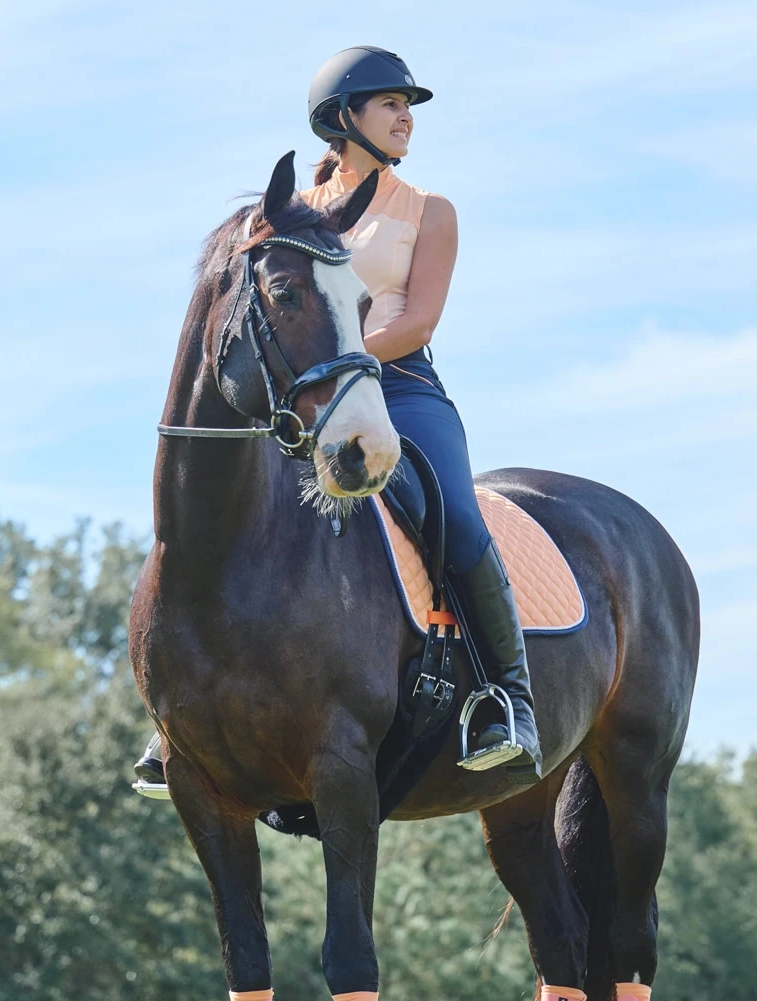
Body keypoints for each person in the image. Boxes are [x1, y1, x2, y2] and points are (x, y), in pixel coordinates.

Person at [134, 46, 540, 787]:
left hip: (403, 390)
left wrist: (343, 364)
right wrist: (306, 379)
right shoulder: (288, 216)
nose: (405, 117)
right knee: (214, 514)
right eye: (390, 104)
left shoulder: (429, 212)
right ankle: (178, 714)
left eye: (407, 106)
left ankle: (504, 697)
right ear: (342, 117)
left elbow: (417, 321)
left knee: (455, 514)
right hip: (302, 398)